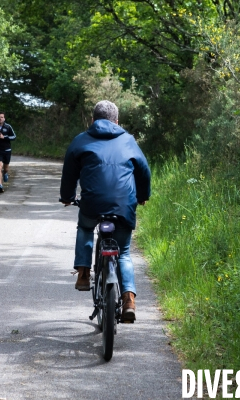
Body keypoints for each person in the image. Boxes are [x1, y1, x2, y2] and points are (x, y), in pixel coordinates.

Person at [60, 100, 151, 322]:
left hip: (92, 205)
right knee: (125, 252)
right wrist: (142, 197)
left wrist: (68, 197)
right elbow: (144, 171)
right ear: (117, 121)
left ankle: (83, 273)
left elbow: (69, 172)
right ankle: (129, 298)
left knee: (85, 227)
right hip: (123, 206)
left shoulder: (81, 140)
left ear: (93, 120)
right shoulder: (128, 141)